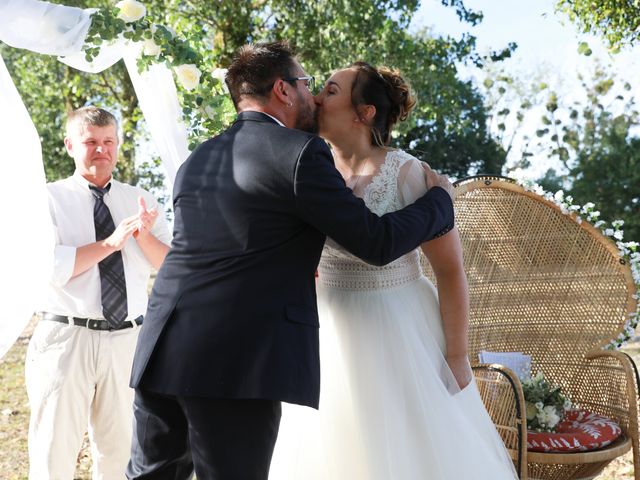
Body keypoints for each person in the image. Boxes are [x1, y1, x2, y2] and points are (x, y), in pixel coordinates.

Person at [126, 41, 455, 480]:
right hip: (234, 362)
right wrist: (439, 202)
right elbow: (375, 243)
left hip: (162, 346)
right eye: (305, 85)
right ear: (282, 90)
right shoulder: (299, 154)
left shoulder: (198, 159)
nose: (312, 97)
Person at [270, 62, 519, 479]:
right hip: (327, 330)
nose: (314, 98)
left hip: (401, 329)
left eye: (330, 91)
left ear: (363, 112)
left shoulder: (409, 174)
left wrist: (456, 356)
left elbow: (450, 270)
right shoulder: (312, 170)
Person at [26, 106, 171, 479]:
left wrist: (141, 235)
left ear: (118, 145)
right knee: (54, 449)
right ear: (70, 145)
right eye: (90, 142)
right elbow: (51, 268)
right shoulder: (47, 200)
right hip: (66, 338)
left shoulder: (141, 200)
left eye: (108, 141)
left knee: (121, 451)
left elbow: (170, 265)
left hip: (127, 339)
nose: (101, 150)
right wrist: (110, 242)